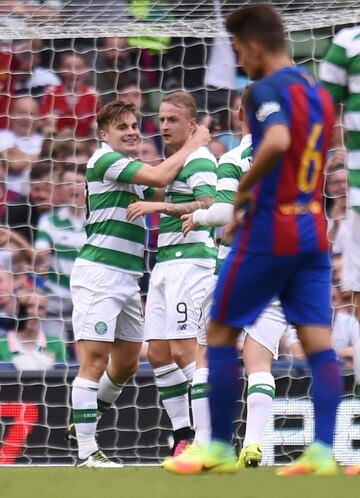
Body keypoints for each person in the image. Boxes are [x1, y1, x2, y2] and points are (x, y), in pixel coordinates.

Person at [166, 4, 342, 476]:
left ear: (257, 47)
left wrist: (244, 192)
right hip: (312, 228)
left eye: (242, 52)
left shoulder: (265, 90)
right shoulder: (319, 94)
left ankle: (218, 445)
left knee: (220, 332)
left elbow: (279, 140)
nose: (242, 62)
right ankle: (323, 450)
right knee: (317, 342)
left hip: (272, 228)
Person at [68, 100, 210, 467]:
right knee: (94, 362)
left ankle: (85, 418)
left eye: (134, 125)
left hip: (128, 278)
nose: (132, 131)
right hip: (99, 273)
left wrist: (202, 178)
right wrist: (194, 145)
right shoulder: (104, 160)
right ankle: (87, 451)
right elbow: (161, 179)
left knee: (129, 362)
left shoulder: (131, 170)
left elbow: (162, 193)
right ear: (104, 135)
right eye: (122, 127)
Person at [163, 86, 293, 473]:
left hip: (236, 268)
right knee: (259, 360)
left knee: (209, 353)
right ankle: (253, 445)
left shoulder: (236, 158)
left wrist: (198, 217)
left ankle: (205, 445)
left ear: (241, 114)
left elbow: (221, 212)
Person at [126, 91, 217, 457]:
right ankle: (184, 434)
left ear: (192, 125)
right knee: (159, 353)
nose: (164, 125)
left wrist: (160, 205)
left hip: (191, 262)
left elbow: (210, 203)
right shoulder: (175, 161)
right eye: (161, 119)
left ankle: (211, 438)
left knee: (185, 351)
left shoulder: (200, 159)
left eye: (173, 120)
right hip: (165, 262)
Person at [35, 163, 87, 344]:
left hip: (88, 301)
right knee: (56, 353)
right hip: (56, 302)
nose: (73, 187)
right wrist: (40, 257)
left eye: (78, 182)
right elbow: (40, 253)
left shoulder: (98, 220)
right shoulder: (49, 221)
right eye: (67, 183)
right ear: (60, 188)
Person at [0, 291, 67, 370]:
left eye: (41, 308)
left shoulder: (56, 344)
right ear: (18, 309)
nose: (35, 313)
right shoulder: (1, 345)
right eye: (29, 306)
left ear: (45, 312)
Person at [40, 52, 100, 139]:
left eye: (78, 68)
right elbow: (42, 122)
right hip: (57, 143)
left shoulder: (93, 95)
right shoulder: (51, 93)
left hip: (83, 144)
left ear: (86, 70)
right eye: (68, 67)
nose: (73, 73)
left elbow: (96, 125)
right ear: (60, 70)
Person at [0, 96, 43, 195]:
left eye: (31, 114)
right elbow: (14, 165)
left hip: (32, 197)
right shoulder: (1, 136)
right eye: (21, 113)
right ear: (11, 114)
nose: (26, 118)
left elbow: (13, 163)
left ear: (39, 118)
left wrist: (9, 155)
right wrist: (35, 158)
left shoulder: (45, 141)